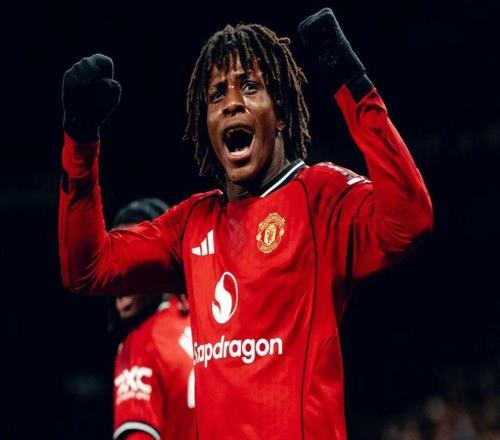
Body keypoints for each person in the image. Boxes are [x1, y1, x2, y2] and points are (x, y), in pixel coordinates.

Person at [59, 7, 433, 439]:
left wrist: (352, 83)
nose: (232, 102)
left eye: (250, 86)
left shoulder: (321, 196)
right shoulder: (192, 224)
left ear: (282, 114)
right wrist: (80, 143)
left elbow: (410, 220)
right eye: (216, 95)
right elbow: (87, 269)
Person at [110, 198, 196, 440]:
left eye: (132, 262)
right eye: (113, 262)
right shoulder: (213, 325)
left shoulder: (141, 344)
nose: (119, 276)